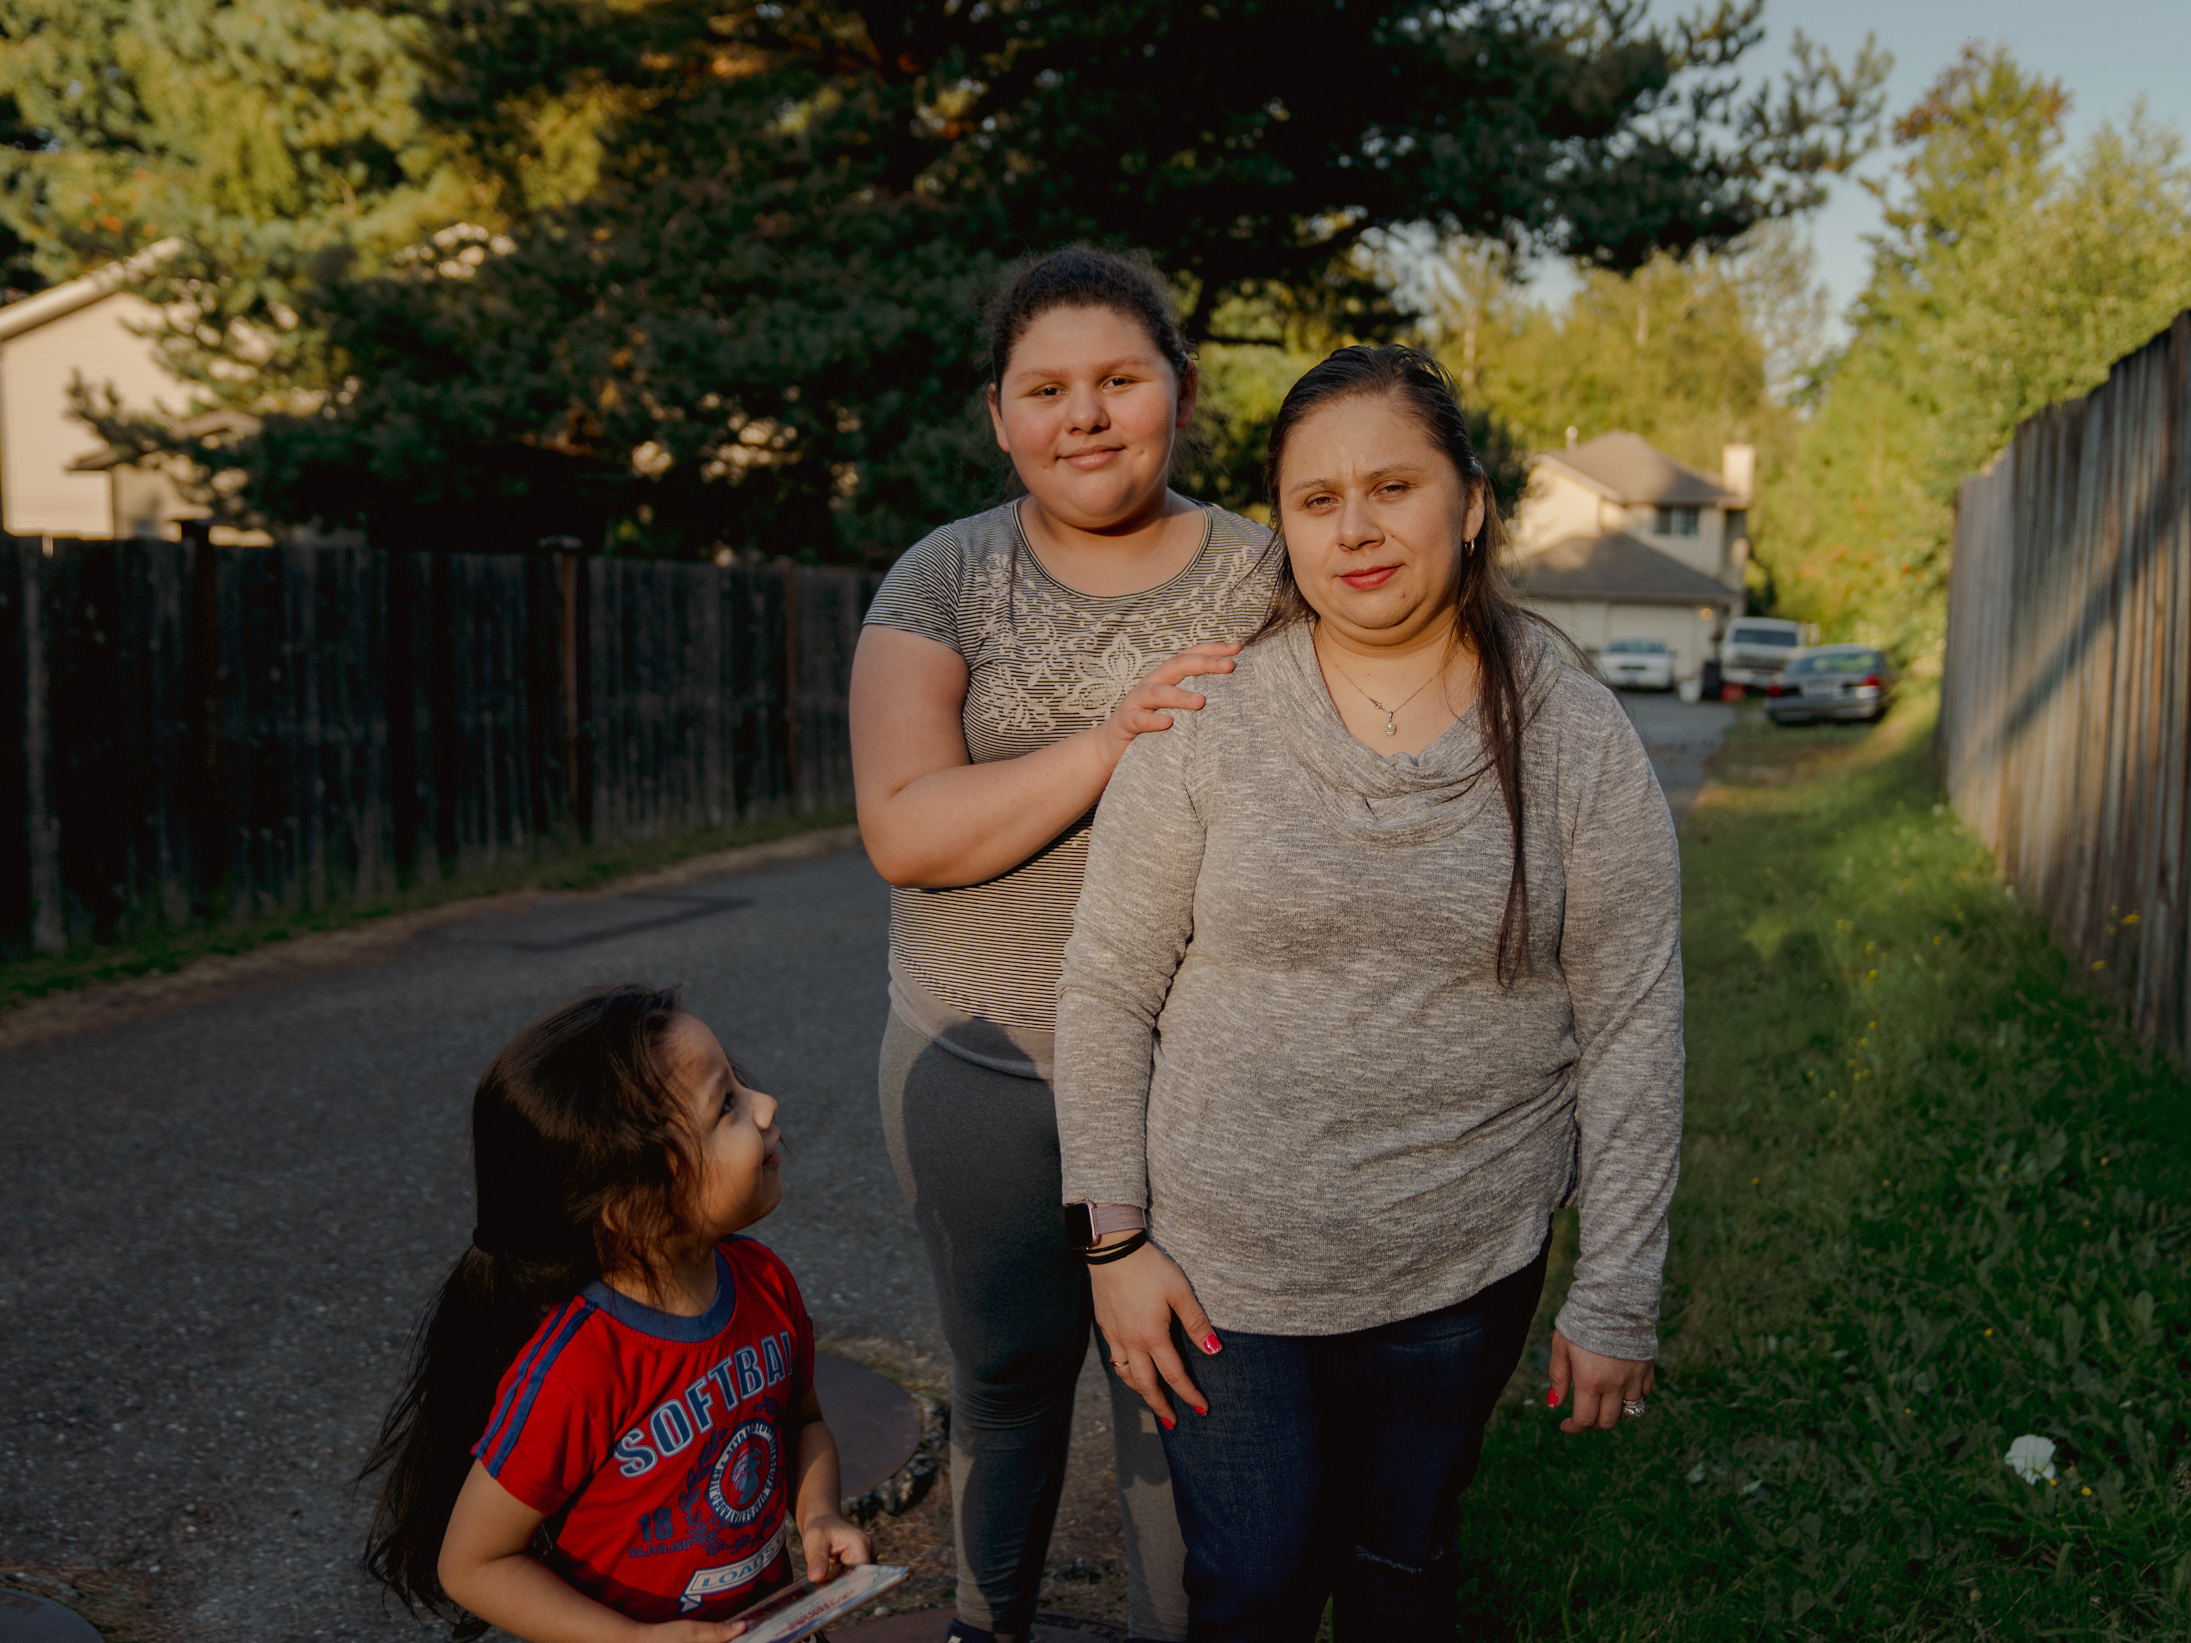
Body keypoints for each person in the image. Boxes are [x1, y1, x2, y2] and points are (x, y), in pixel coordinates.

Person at [1053, 345, 1684, 1642]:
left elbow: (1629, 1018)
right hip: (1219, 1272)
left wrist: (1616, 1283)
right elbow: (1105, 984)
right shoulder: (1208, 718)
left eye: (1390, 485)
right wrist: (1110, 1242)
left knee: (1402, 1568)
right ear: (1279, 521)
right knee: (1255, 1584)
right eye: (1313, 498)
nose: (1354, 528)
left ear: (1469, 500)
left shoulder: (1570, 733)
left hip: (1462, 1261)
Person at [849, 246, 1277, 1643]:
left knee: (1177, 1385)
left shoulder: (1268, 576)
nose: (1083, 415)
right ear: (999, 416)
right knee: (1007, 1378)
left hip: (1197, 1080)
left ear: (1181, 392)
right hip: (976, 1069)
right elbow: (906, 829)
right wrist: (1111, 740)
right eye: (1046, 388)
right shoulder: (944, 577)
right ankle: (989, 1623)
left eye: (1116, 379)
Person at [361, 984, 869, 1641]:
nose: (766, 1104)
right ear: (636, 1205)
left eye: (739, 1085)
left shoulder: (765, 1282)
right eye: (727, 1105)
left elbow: (804, 1423)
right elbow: (473, 1563)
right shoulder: (578, 1369)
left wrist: (819, 1513)